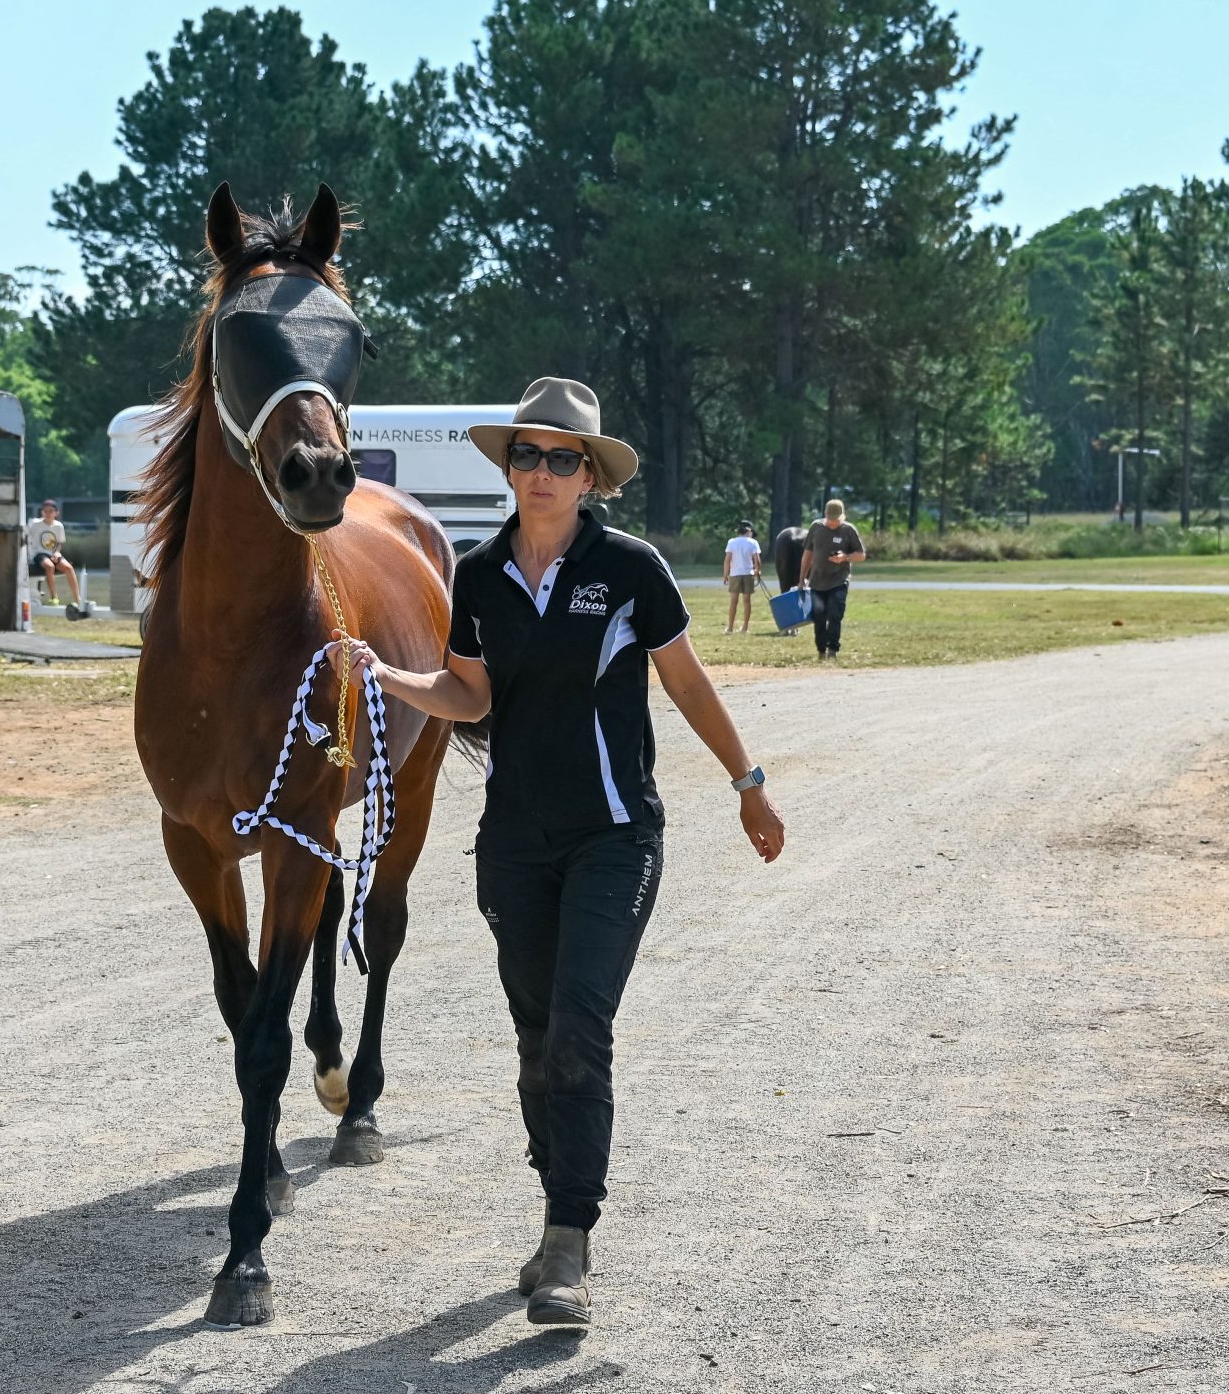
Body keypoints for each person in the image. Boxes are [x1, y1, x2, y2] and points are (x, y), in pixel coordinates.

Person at [336, 376, 786, 1330]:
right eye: (527, 455)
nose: (542, 472)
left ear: (591, 477)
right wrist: (389, 675)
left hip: (616, 837)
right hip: (513, 847)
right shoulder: (478, 575)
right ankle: (554, 1220)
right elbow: (472, 697)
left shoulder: (631, 570)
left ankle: (570, 1240)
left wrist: (748, 784)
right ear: (508, 467)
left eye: (563, 458)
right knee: (537, 1040)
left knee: (582, 1023)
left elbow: (688, 683)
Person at [803, 498, 866, 660]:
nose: (833, 523)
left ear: (842, 517)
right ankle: (821, 650)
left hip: (839, 580)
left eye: (836, 520)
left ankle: (833, 650)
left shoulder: (848, 530)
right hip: (816, 581)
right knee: (819, 617)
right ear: (825, 515)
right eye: (830, 520)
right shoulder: (816, 528)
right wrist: (801, 578)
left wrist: (845, 557)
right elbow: (808, 554)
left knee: (835, 614)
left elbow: (861, 555)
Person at [25, 499, 87, 618]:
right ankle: (54, 597)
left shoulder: (59, 526)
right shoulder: (35, 524)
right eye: (45, 511)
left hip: (53, 553)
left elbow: (59, 543)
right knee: (49, 566)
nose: (48, 513)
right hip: (40, 554)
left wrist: (57, 553)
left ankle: (78, 598)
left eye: (51, 511)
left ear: (56, 513)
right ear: (42, 512)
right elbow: (25, 534)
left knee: (69, 568)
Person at [721, 519, 762, 634]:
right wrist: (758, 572)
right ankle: (745, 627)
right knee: (747, 601)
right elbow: (757, 560)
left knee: (733, 601)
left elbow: (727, 560)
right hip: (748, 573)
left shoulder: (732, 542)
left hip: (735, 574)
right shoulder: (753, 542)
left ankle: (730, 627)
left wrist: (725, 574)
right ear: (748, 531)